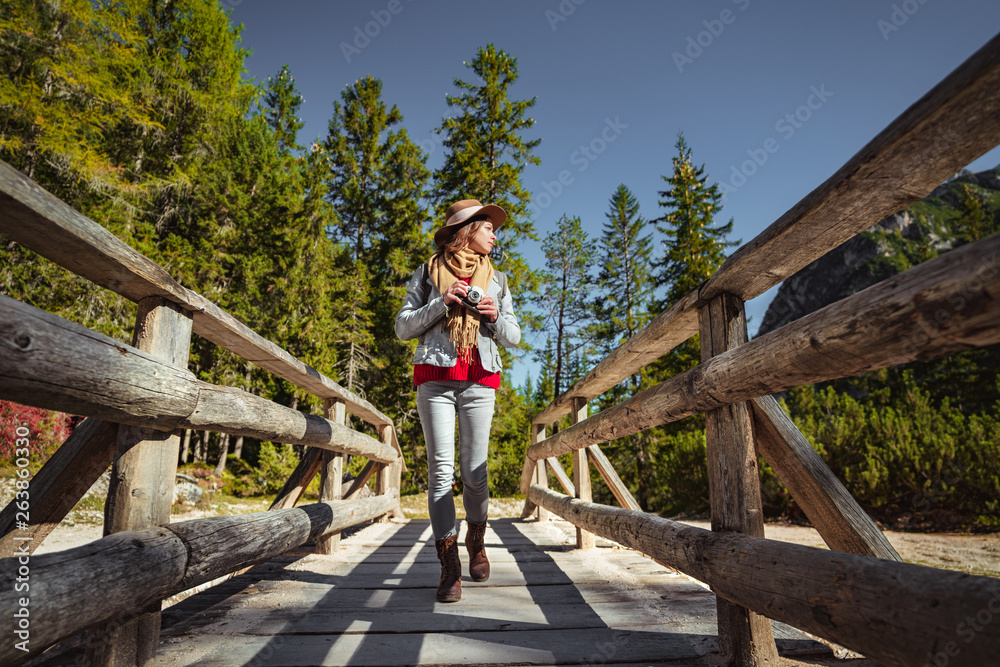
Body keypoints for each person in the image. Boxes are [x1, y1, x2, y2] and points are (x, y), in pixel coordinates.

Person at [394, 199, 521, 603]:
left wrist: (494, 317)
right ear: (467, 229)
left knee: (475, 473)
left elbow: (514, 336)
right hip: (435, 380)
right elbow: (402, 327)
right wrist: (441, 301)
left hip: (480, 381)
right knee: (439, 474)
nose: (495, 235)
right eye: (489, 227)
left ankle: (476, 541)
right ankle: (449, 567)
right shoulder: (428, 273)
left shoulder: (498, 278)